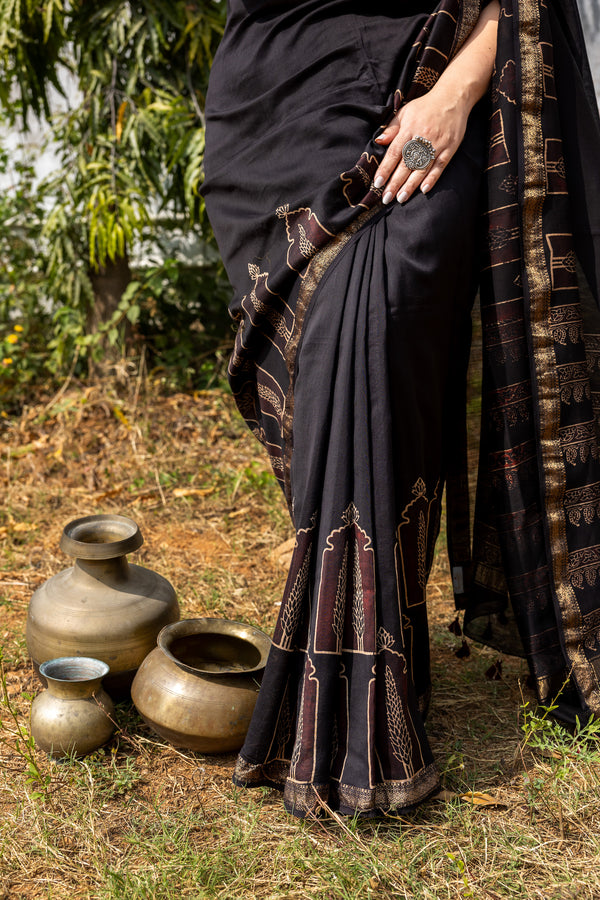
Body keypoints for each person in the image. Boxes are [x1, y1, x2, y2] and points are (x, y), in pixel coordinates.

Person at [201, 0, 600, 818]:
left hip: (428, 80)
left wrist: (456, 92)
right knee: (332, 361)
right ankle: (378, 651)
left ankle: (370, 676)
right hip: (278, 104)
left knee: (387, 301)